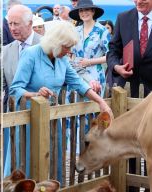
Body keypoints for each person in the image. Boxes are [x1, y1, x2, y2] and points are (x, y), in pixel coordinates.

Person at [9, 20, 112, 181]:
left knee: (53, 160)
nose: (69, 51)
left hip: (53, 119)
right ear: (55, 42)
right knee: (29, 162)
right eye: (66, 47)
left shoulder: (62, 59)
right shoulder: (31, 54)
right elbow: (15, 89)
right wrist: (35, 94)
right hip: (30, 121)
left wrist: (101, 102)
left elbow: (79, 83)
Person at [107, 1, 152, 191]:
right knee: (131, 142)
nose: (138, 1)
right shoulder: (123, 18)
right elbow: (113, 51)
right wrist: (117, 66)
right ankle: (132, 187)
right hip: (129, 91)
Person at [2, 4, 42, 177]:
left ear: (30, 23)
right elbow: (5, 87)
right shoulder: (6, 51)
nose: (12, 28)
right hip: (14, 118)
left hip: (41, 117)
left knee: (39, 166)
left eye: (16, 24)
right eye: (10, 24)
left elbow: (70, 72)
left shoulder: (47, 46)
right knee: (14, 166)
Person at [69, 0, 111, 97]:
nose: (84, 13)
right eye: (81, 11)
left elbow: (111, 56)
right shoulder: (75, 30)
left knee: (93, 108)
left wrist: (89, 61)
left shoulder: (102, 31)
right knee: (73, 108)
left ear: (93, 11)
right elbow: (69, 53)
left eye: (87, 9)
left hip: (94, 75)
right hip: (76, 73)